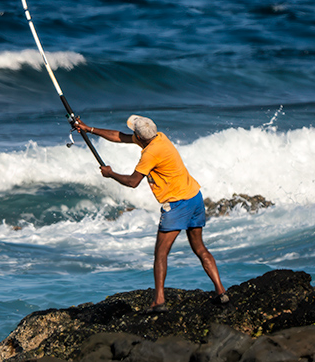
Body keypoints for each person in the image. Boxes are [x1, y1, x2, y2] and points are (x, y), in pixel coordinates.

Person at [72, 114, 229, 311]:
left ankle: (159, 301)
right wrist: (89, 129)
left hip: (177, 204)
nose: (132, 134)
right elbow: (120, 136)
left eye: (134, 132)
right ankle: (221, 292)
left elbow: (132, 182)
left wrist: (110, 174)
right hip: (194, 197)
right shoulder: (159, 137)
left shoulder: (150, 154)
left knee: (161, 254)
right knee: (199, 248)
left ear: (140, 135)